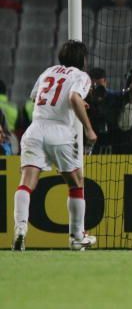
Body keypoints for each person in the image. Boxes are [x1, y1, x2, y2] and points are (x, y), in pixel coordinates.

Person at [13, 40, 97, 251]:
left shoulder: (48, 71)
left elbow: (35, 98)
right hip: (59, 132)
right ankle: (77, 237)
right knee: (76, 183)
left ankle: (20, 230)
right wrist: (88, 129)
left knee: (26, 183)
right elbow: (73, 97)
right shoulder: (81, 76)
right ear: (82, 60)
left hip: (35, 130)